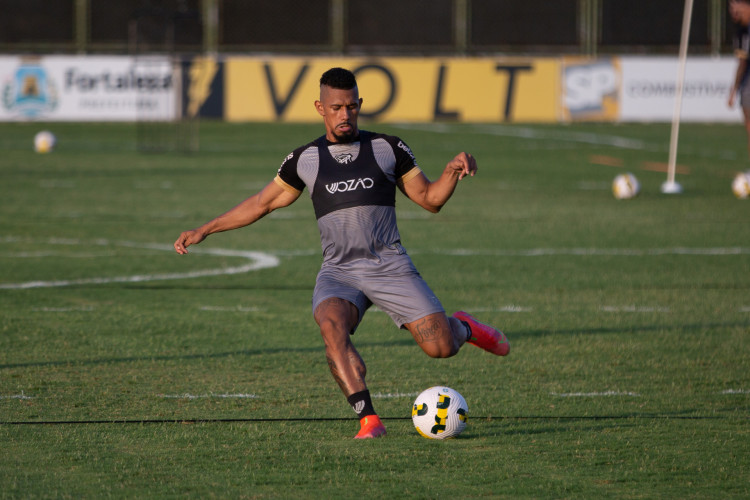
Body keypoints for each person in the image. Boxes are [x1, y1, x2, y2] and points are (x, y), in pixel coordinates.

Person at [174, 67, 510, 439]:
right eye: (336, 107)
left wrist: (450, 172)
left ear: (360, 105)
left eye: (351, 106)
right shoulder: (305, 159)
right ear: (321, 107)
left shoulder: (388, 148)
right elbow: (260, 204)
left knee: (441, 348)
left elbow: (430, 200)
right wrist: (205, 228)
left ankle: (463, 326)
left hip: (389, 266)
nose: (345, 114)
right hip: (340, 271)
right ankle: (369, 419)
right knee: (331, 326)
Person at [729, 0, 750, 160]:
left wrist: (733, 90)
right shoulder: (741, 31)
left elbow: (742, 63)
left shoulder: (743, 32)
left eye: (735, 5)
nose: (732, 11)